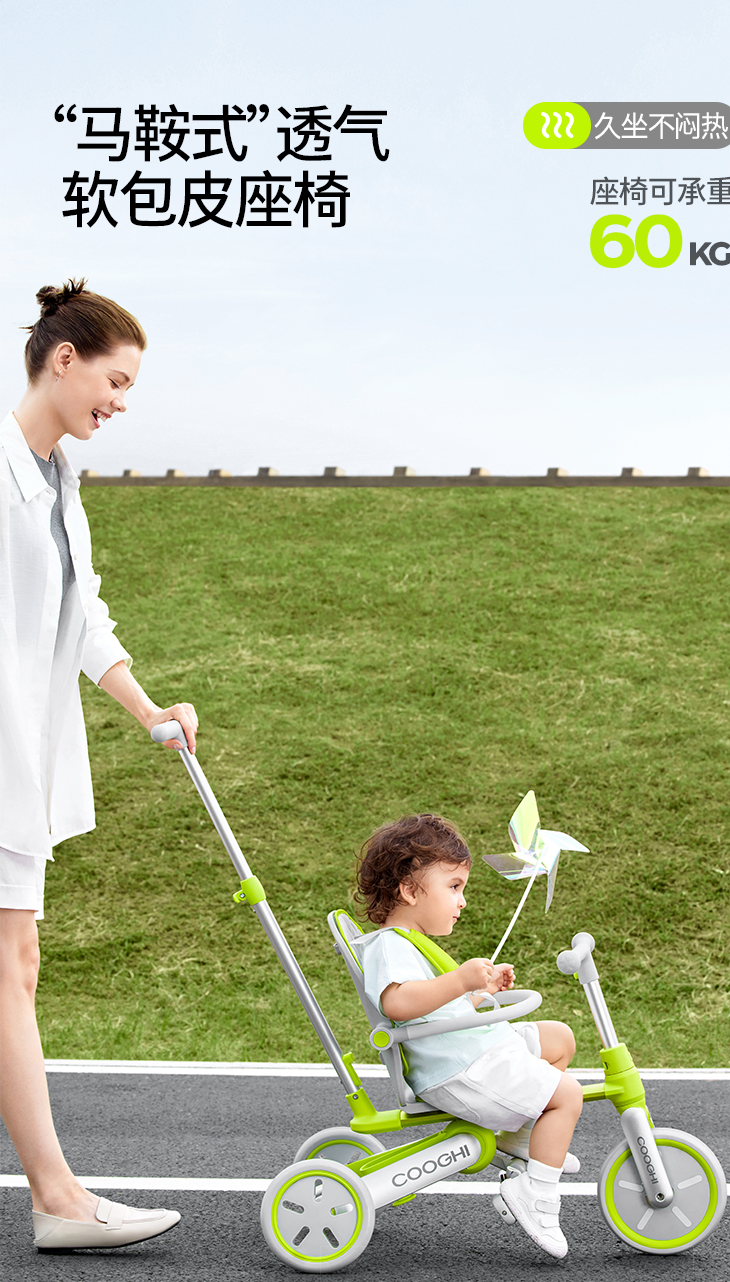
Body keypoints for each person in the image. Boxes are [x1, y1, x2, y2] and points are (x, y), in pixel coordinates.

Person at [0, 279, 199, 1251]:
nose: (121, 403)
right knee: (9, 966)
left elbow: (86, 620)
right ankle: (57, 1197)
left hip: (23, 761)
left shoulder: (60, 482)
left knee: (18, 964)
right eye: (115, 382)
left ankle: (59, 1193)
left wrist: (148, 707)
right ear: (64, 358)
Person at [355, 813, 583, 1260]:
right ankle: (535, 1193)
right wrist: (460, 980)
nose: (462, 901)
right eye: (454, 886)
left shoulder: (411, 943)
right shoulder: (390, 944)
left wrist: (478, 993)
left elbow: (435, 1008)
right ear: (409, 890)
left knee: (559, 1038)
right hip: (460, 1068)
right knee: (567, 1095)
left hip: (469, 1050)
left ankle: (519, 1137)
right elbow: (398, 1003)